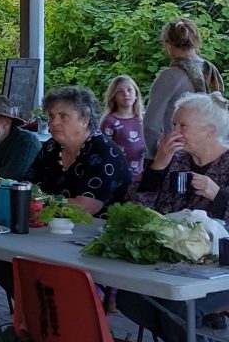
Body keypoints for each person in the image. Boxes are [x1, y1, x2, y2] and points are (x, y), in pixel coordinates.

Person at [119, 92, 229, 342]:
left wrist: (218, 195)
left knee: (176, 303)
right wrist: (157, 167)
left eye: (183, 126)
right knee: (130, 297)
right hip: (174, 262)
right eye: (173, 125)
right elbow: (138, 209)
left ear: (210, 130)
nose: (174, 133)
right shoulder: (177, 159)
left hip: (221, 266)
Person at [28, 86, 132, 216]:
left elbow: (86, 208)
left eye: (63, 116)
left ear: (85, 119)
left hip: (102, 230)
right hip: (55, 226)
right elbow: (26, 188)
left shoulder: (103, 151)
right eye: (51, 116)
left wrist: (38, 202)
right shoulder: (51, 147)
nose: (54, 122)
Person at [144, 18, 224, 156]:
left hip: (178, 154)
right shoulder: (211, 71)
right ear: (195, 41)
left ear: (168, 45)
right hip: (208, 153)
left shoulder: (169, 76)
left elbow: (150, 125)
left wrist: (157, 156)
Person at [101, 75, 146, 181]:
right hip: (118, 177)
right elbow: (103, 151)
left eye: (129, 90)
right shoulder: (110, 121)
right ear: (114, 97)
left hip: (141, 175)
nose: (126, 94)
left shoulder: (144, 119)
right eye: (120, 91)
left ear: (136, 94)